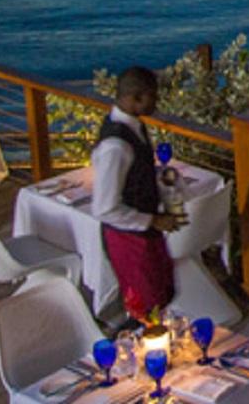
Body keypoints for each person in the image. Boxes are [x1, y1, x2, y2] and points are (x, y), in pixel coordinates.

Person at [92, 67, 187, 323]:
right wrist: (154, 221)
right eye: (152, 97)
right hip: (128, 238)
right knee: (145, 308)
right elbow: (104, 208)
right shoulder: (116, 146)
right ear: (136, 98)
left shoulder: (133, 127)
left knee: (159, 295)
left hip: (143, 233)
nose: (156, 102)